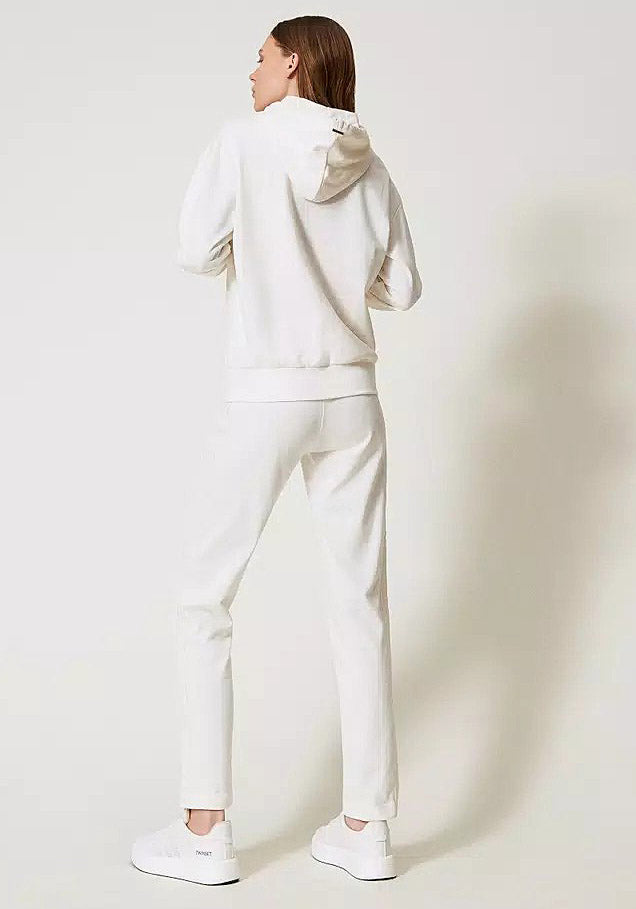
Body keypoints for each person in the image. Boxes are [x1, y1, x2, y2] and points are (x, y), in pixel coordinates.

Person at [131, 14, 422, 885]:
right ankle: (366, 827)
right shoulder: (368, 159)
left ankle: (204, 828)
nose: (251, 71)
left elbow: (194, 251)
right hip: (352, 398)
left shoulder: (241, 141)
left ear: (292, 63)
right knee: (359, 605)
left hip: (268, 392)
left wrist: (258, 247)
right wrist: (336, 269)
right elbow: (402, 287)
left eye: (260, 57)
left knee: (203, 599)